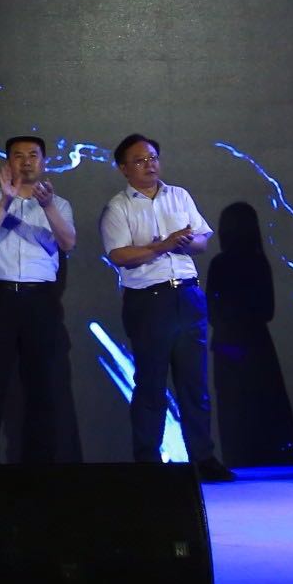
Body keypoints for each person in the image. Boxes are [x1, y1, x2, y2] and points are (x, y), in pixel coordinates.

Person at [99, 134, 233, 481]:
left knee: (195, 386)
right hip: (148, 300)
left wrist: (185, 243)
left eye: (153, 157)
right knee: (151, 386)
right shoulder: (119, 207)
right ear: (123, 168)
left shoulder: (179, 195)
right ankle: (148, 463)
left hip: (187, 296)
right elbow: (119, 255)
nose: (150, 165)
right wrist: (163, 246)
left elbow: (202, 241)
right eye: (140, 160)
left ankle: (203, 459)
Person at [0, 135, 78, 465]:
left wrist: (48, 206)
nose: (26, 161)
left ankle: (40, 463)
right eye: (18, 155)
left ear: (43, 161)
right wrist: (5, 201)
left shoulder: (59, 204)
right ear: (8, 162)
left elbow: (68, 243)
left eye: (33, 155)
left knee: (42, 384)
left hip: (39, 300)